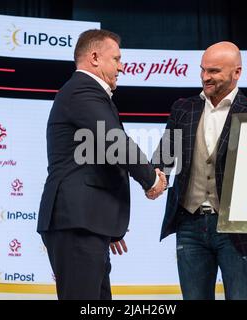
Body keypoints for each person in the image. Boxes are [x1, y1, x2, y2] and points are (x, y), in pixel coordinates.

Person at [151, 41, 247, 300]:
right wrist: (156, 178)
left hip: (238, 229)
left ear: (237, 72)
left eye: (213, 71)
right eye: (203, 70)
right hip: (189, 225)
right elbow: (164, 157)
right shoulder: (183, 108)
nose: (205, 77)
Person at [37, 29, 167, 300]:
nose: (121, 67)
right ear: (95, 57)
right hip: (77, 224)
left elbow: (99, 157)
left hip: (88, 223)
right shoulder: (82, 90)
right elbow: (115, 142)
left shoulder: (85, 93)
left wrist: (107, 223)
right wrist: (151, 180)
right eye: (117, 59)